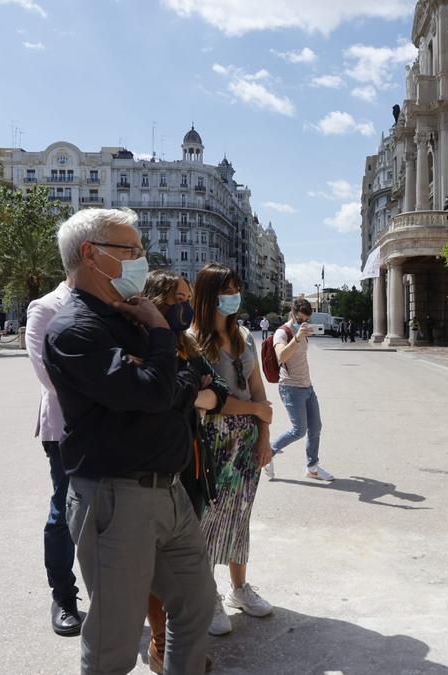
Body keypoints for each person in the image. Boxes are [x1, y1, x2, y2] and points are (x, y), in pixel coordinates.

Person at [42, 208, 215, 675]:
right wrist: (161, 332)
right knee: (113, 642)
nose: (142, 259)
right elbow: (160, 391)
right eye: (131, 251)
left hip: (170, 490)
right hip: (118, 497)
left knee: (197, 605)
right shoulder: (76, 328)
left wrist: (165, 370)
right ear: (90, 255)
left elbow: (185, 380)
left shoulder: (131, 316)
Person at [142, 269, 229, 673]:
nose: (186, 306)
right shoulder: (145, 341)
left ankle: (176, 647)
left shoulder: (188, 342)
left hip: (192, 467)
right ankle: (160, 644)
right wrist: (196, 390)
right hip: (155, 468)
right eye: (178, 298)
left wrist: (193, 392)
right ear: (156, 301)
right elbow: (164, 397)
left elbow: (221, 392)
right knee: (157, 569)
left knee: (184, 567)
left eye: (188, 298)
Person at [189, 263, 276, 637]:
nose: (233, 296)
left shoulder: (244, 336)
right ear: (208, 295)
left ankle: (239, 588)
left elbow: (258, 389)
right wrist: (257, 410)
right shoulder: (192, 340)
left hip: (246, 442)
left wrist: (264, 437)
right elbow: (208, 402)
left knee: (241, 515)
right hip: (212, 441)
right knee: (207, 521)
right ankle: (206, 596)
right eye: (226, 290)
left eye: (236, 289)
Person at [24, 275, 83, 637]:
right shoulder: (45, 308)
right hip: (66, 429)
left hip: (115, 428)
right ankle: (63, 595)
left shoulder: (116, 302)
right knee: (64, 511)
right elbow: (49, 375)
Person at [268, 298, 332, 482]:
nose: (304, 323)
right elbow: (281, 356)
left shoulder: (301, 331)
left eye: (307, 321)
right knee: (299, 430)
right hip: (290, 388)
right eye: (301, 320)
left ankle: (312, 467)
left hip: (307, 386)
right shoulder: (282, 332)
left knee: (316, 427)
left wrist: (302, 333)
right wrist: (296, 337)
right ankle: (269, 452)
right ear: (292, 314)